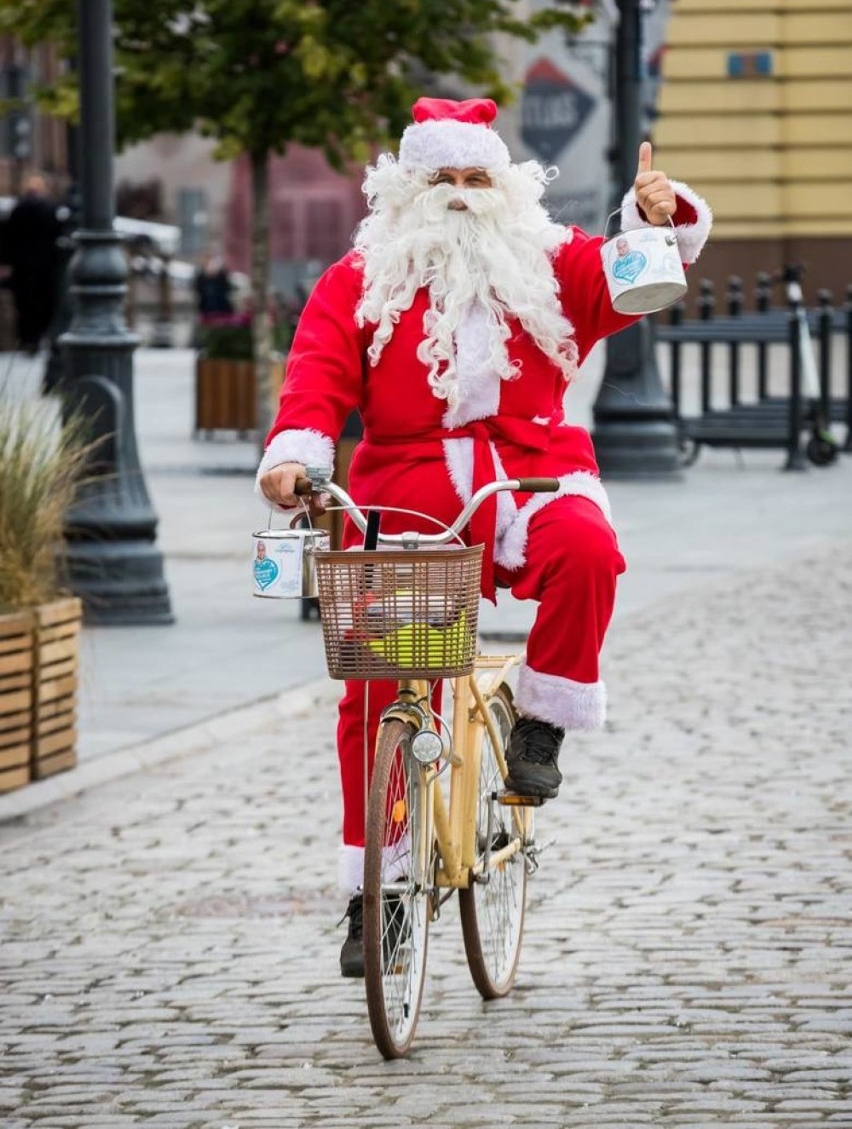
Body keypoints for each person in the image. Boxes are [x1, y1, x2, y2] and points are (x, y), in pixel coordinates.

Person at [255, 96, 712, 976]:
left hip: (532, 474)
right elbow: (314, 378)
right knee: (379, 692)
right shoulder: (360, 278)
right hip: (408, 493)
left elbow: (630, 280)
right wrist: (295, 459)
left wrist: (660, 217)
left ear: (502, 187)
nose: (460, 197)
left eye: (475, 179)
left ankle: (542, 721)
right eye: (441, 181)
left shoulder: (546, 261)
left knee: (589, 549)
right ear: (405, 189)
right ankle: (375, 892)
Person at [2, 174, 63, 354]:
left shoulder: (18, 209)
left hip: (23, 267)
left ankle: (29, 340)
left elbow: (7, 239)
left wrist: (6, 262)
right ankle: (39, 337)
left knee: (25, 305)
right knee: (44, 303)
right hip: (45, 266)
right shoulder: (49, 209)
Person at [193, 249, 234, 318]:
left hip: (221, 308)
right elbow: (198, 289)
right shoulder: (201, 275)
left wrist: (218, 273)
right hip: (206, 308)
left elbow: (227, 288)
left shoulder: (222, 274)